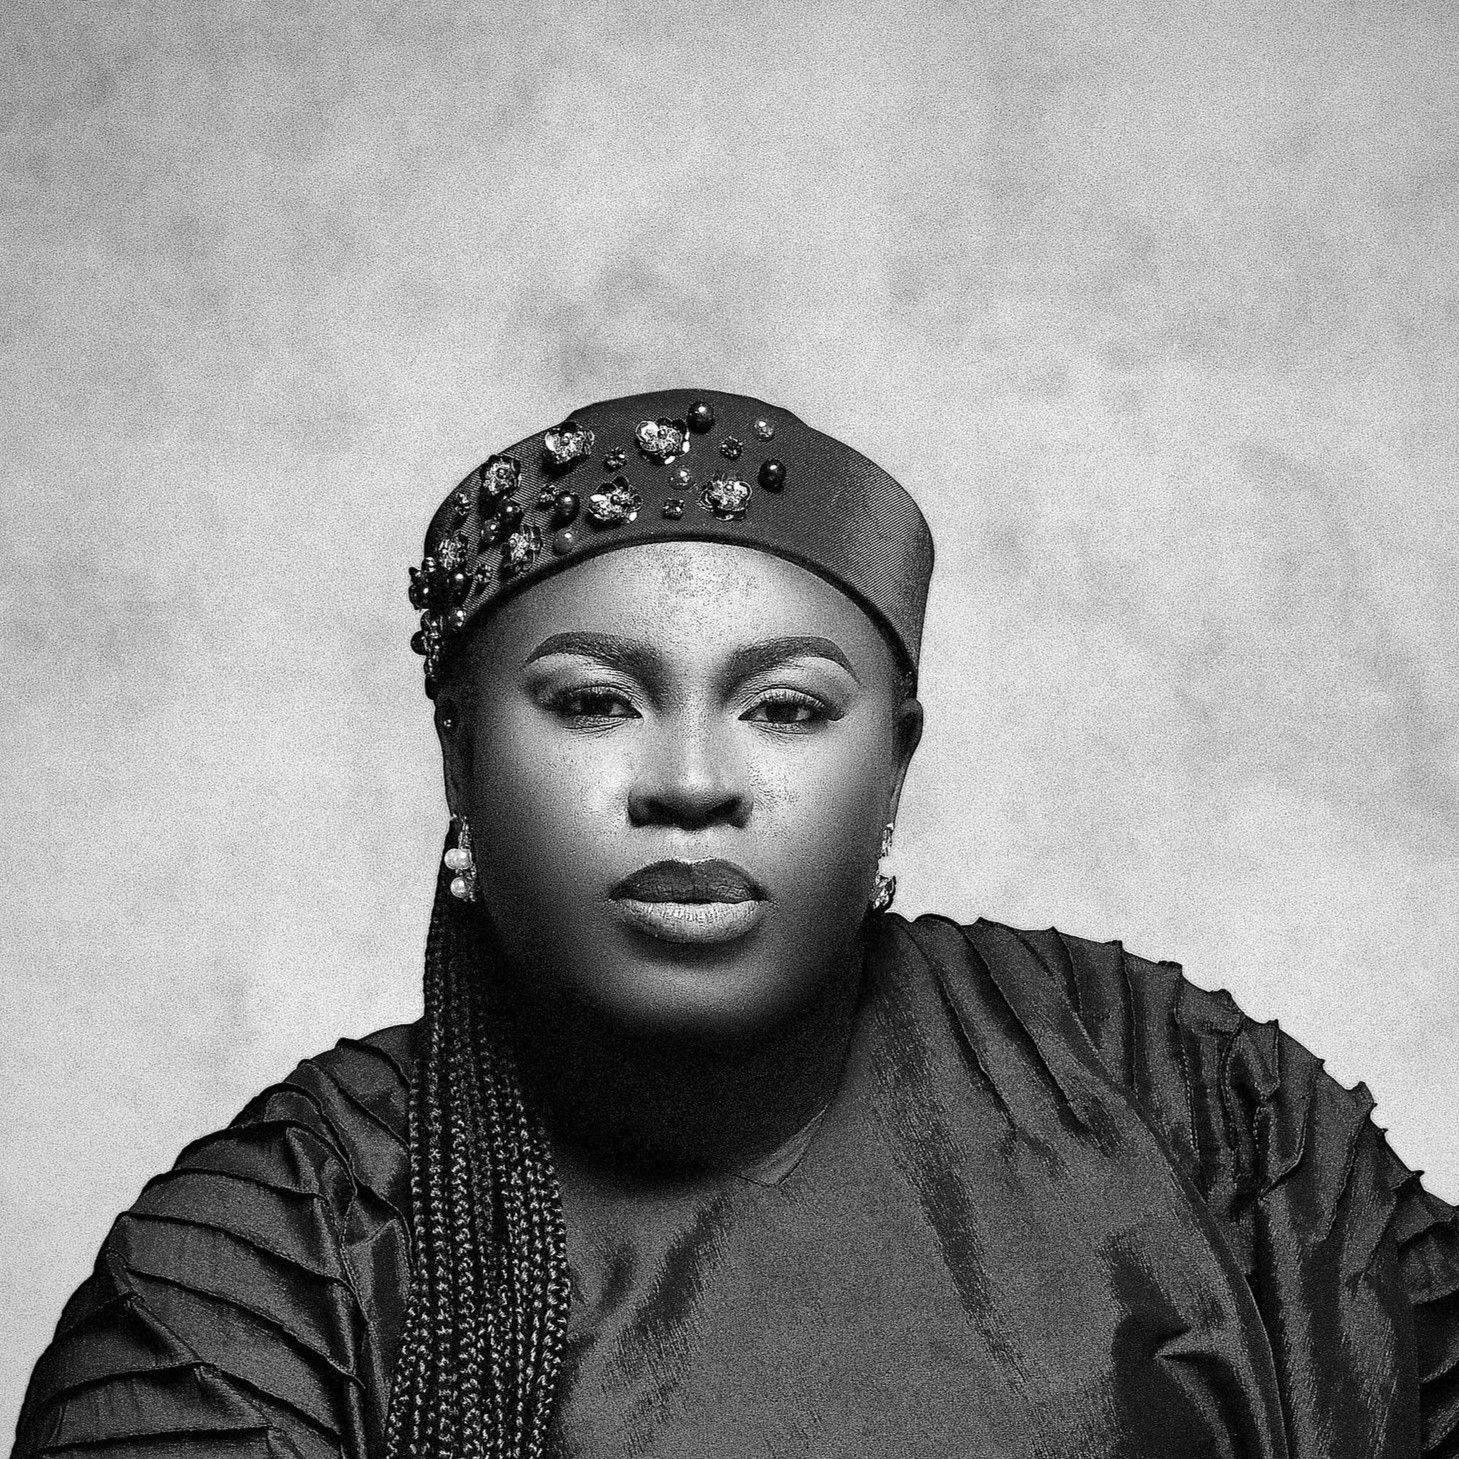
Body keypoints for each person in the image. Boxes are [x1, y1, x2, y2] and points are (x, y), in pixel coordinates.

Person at [11, 389, 1458, 1459]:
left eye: (785, 708)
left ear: (893, 765)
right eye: (595, 702)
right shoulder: (276, 1256)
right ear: (460, 758)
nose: (693, 782)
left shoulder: (1167, 1092)